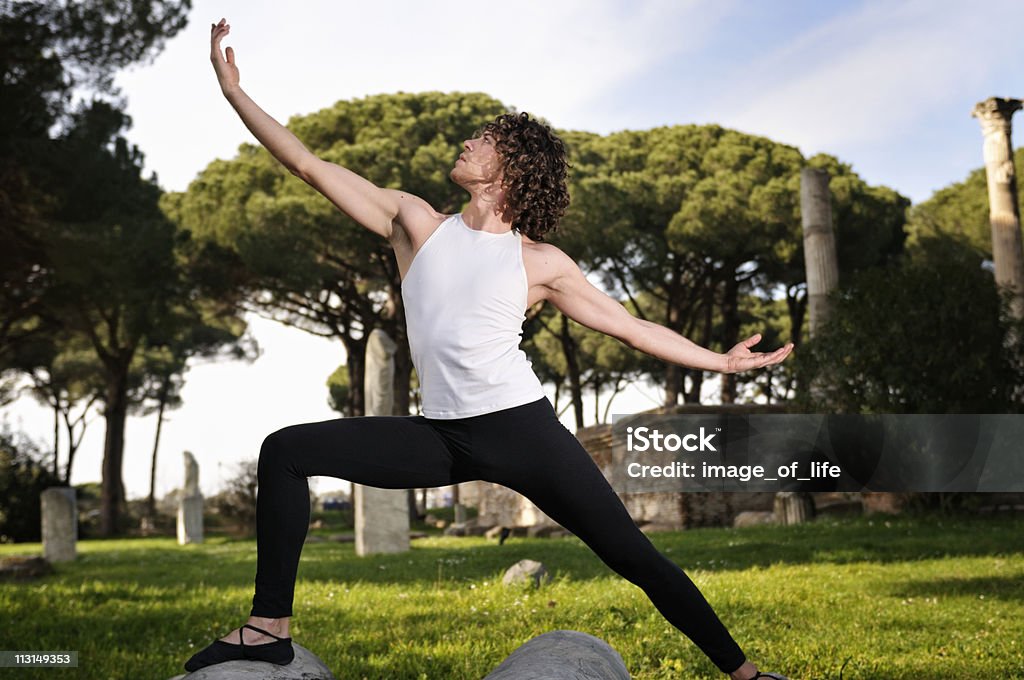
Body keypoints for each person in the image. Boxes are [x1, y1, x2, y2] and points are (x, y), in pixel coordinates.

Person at [186, 18, 794, 680]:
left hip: (521, 431)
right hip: (441, 437)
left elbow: (631, 328)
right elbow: (306, 162)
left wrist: (722, 362)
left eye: (486, 140)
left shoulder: (539, 262)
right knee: (285, 452)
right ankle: (269, 627)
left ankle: (745, 673)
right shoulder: (414, 224)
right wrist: (233, 94)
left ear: (509, 169)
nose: (469, 141)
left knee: (634, 556)